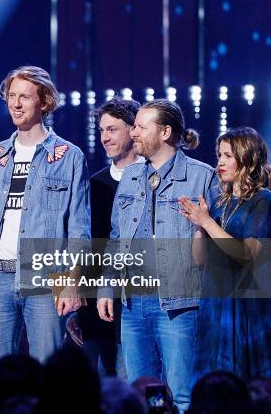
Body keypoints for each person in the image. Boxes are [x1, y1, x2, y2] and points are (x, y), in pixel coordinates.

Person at [0, 66, 90, 368]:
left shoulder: (69, 156)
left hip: (46, 279)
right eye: (11, 96)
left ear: (44, 102)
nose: (16, 104)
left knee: (47, 375)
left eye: (25, 97)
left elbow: (79, 227)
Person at [97, 99, 219, 411]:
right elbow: (115, 238)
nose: (133, 132)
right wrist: (106, 288)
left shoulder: (201, 177)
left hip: (179, 304)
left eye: (139, 126)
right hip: (133, 303)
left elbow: (219, 246)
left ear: (165, 132)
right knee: (142, 395)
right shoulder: (130, 177)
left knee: (179, 395)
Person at [177, 126, 271, 379]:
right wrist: (198, 225)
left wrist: (207, 222)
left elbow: (246, 256)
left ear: (247, 157)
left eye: (228, 156)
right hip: (214, 303)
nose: (220, 162)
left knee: (242, 381)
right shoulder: (221, 202)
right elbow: (200, 258)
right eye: (219, 155)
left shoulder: (262, 200)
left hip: (244, 307)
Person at [67, 98, 142, 376]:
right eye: (101, 130)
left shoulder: (152, 179)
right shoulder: (93, 183)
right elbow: (79, 242)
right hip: (95, 311)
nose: (105, 137)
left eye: (112, 129)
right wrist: (75, 308)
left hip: (138, 305)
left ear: (133, 130)